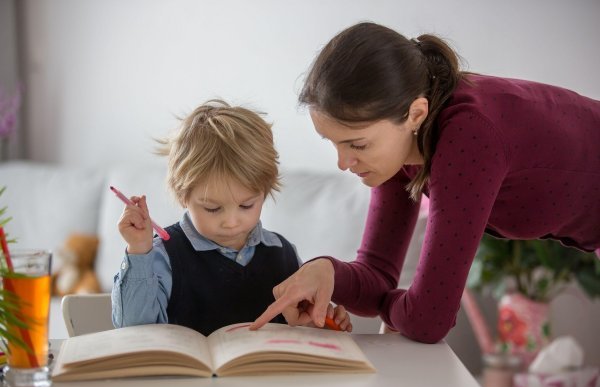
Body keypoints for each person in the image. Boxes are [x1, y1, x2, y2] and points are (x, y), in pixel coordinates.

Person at [250, 22, 600, 343]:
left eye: (357, 144)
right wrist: (326, 272)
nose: (343, 163)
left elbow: (428, 319)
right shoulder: (401, 148)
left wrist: (394, 306)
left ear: (415, 113)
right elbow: (378, 275)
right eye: (334, 143)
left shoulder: (467, 136)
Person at [111, 99, 352, 336]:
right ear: (184, 195)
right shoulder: (161, 256)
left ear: (264, 192)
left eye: (246, 205)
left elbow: (299, 327)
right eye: (213, 209)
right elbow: (134, 331)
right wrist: (139, 251)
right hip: (189, 376)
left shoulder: (284, 254)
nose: (231, 222)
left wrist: (318, 322)